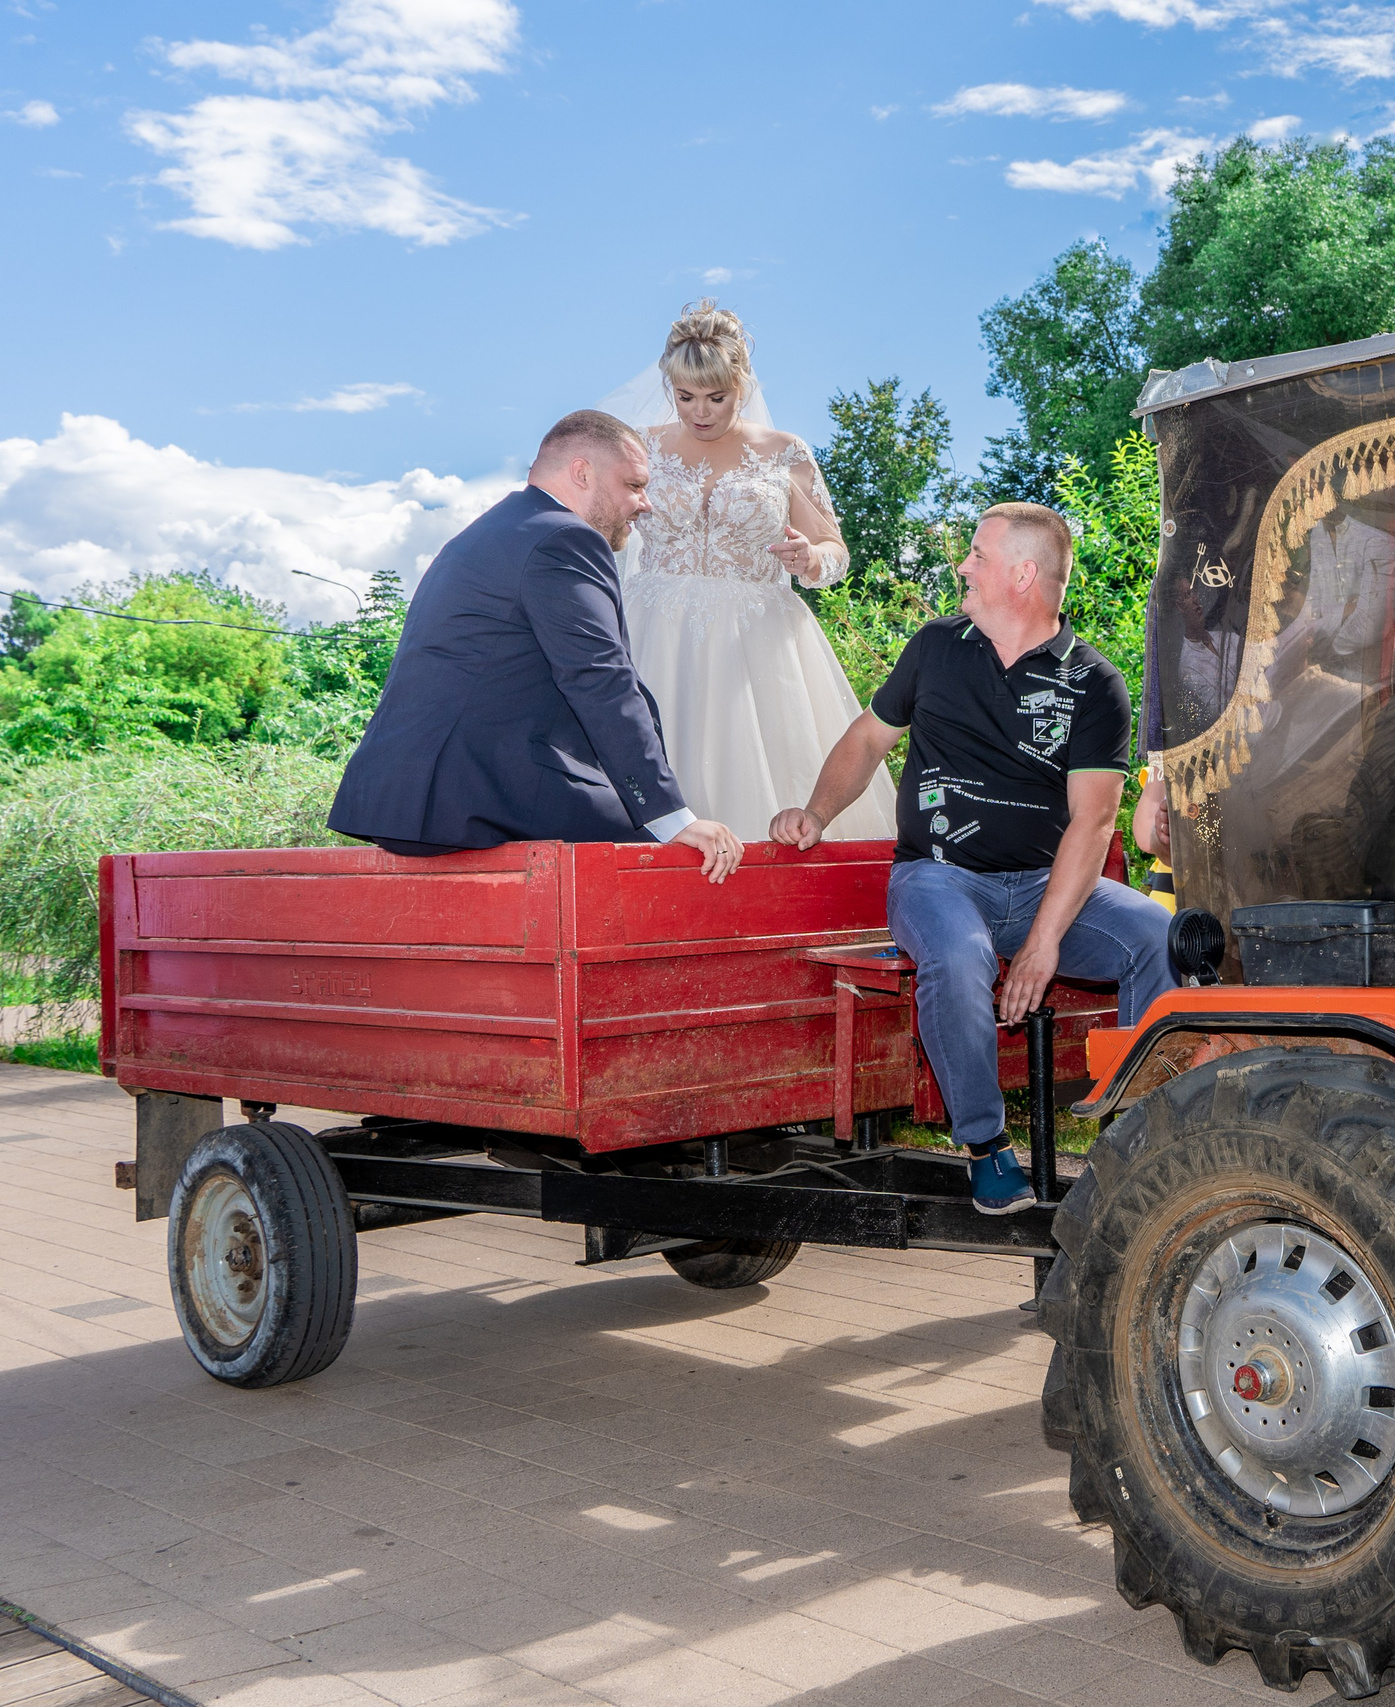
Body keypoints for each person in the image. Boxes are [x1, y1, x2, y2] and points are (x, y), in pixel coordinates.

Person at [773, 503, 1176, 1213]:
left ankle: (1135, 1143)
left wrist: (1044, 943)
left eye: (978, 555)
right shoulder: (937, 646)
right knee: (960, 955)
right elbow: (868, 739)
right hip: (938, 878)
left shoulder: (1093, 682)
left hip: (1045, 885)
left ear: (1023, 575)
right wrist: (815, 812)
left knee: (1158, 935)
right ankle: (987, 1149)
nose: (962, 566)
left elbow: (1092, 822)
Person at [328, 411, 743, 881]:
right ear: (582, 473)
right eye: (634, 485)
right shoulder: (565, 538)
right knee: (679, 861)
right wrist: (670, 817)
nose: (644, 504)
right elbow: (599, 677)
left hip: (406, 791)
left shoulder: (495, 529)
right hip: (471, 787)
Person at [612, 301, 897, 840]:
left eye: (716, 397)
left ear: (741, 385)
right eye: (685, 396)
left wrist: (812, 558)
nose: (700, 411)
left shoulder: (785, 452)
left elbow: (834, 550)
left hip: (754, 639)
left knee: (751, 767)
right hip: (652, 631)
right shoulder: (640, 446)